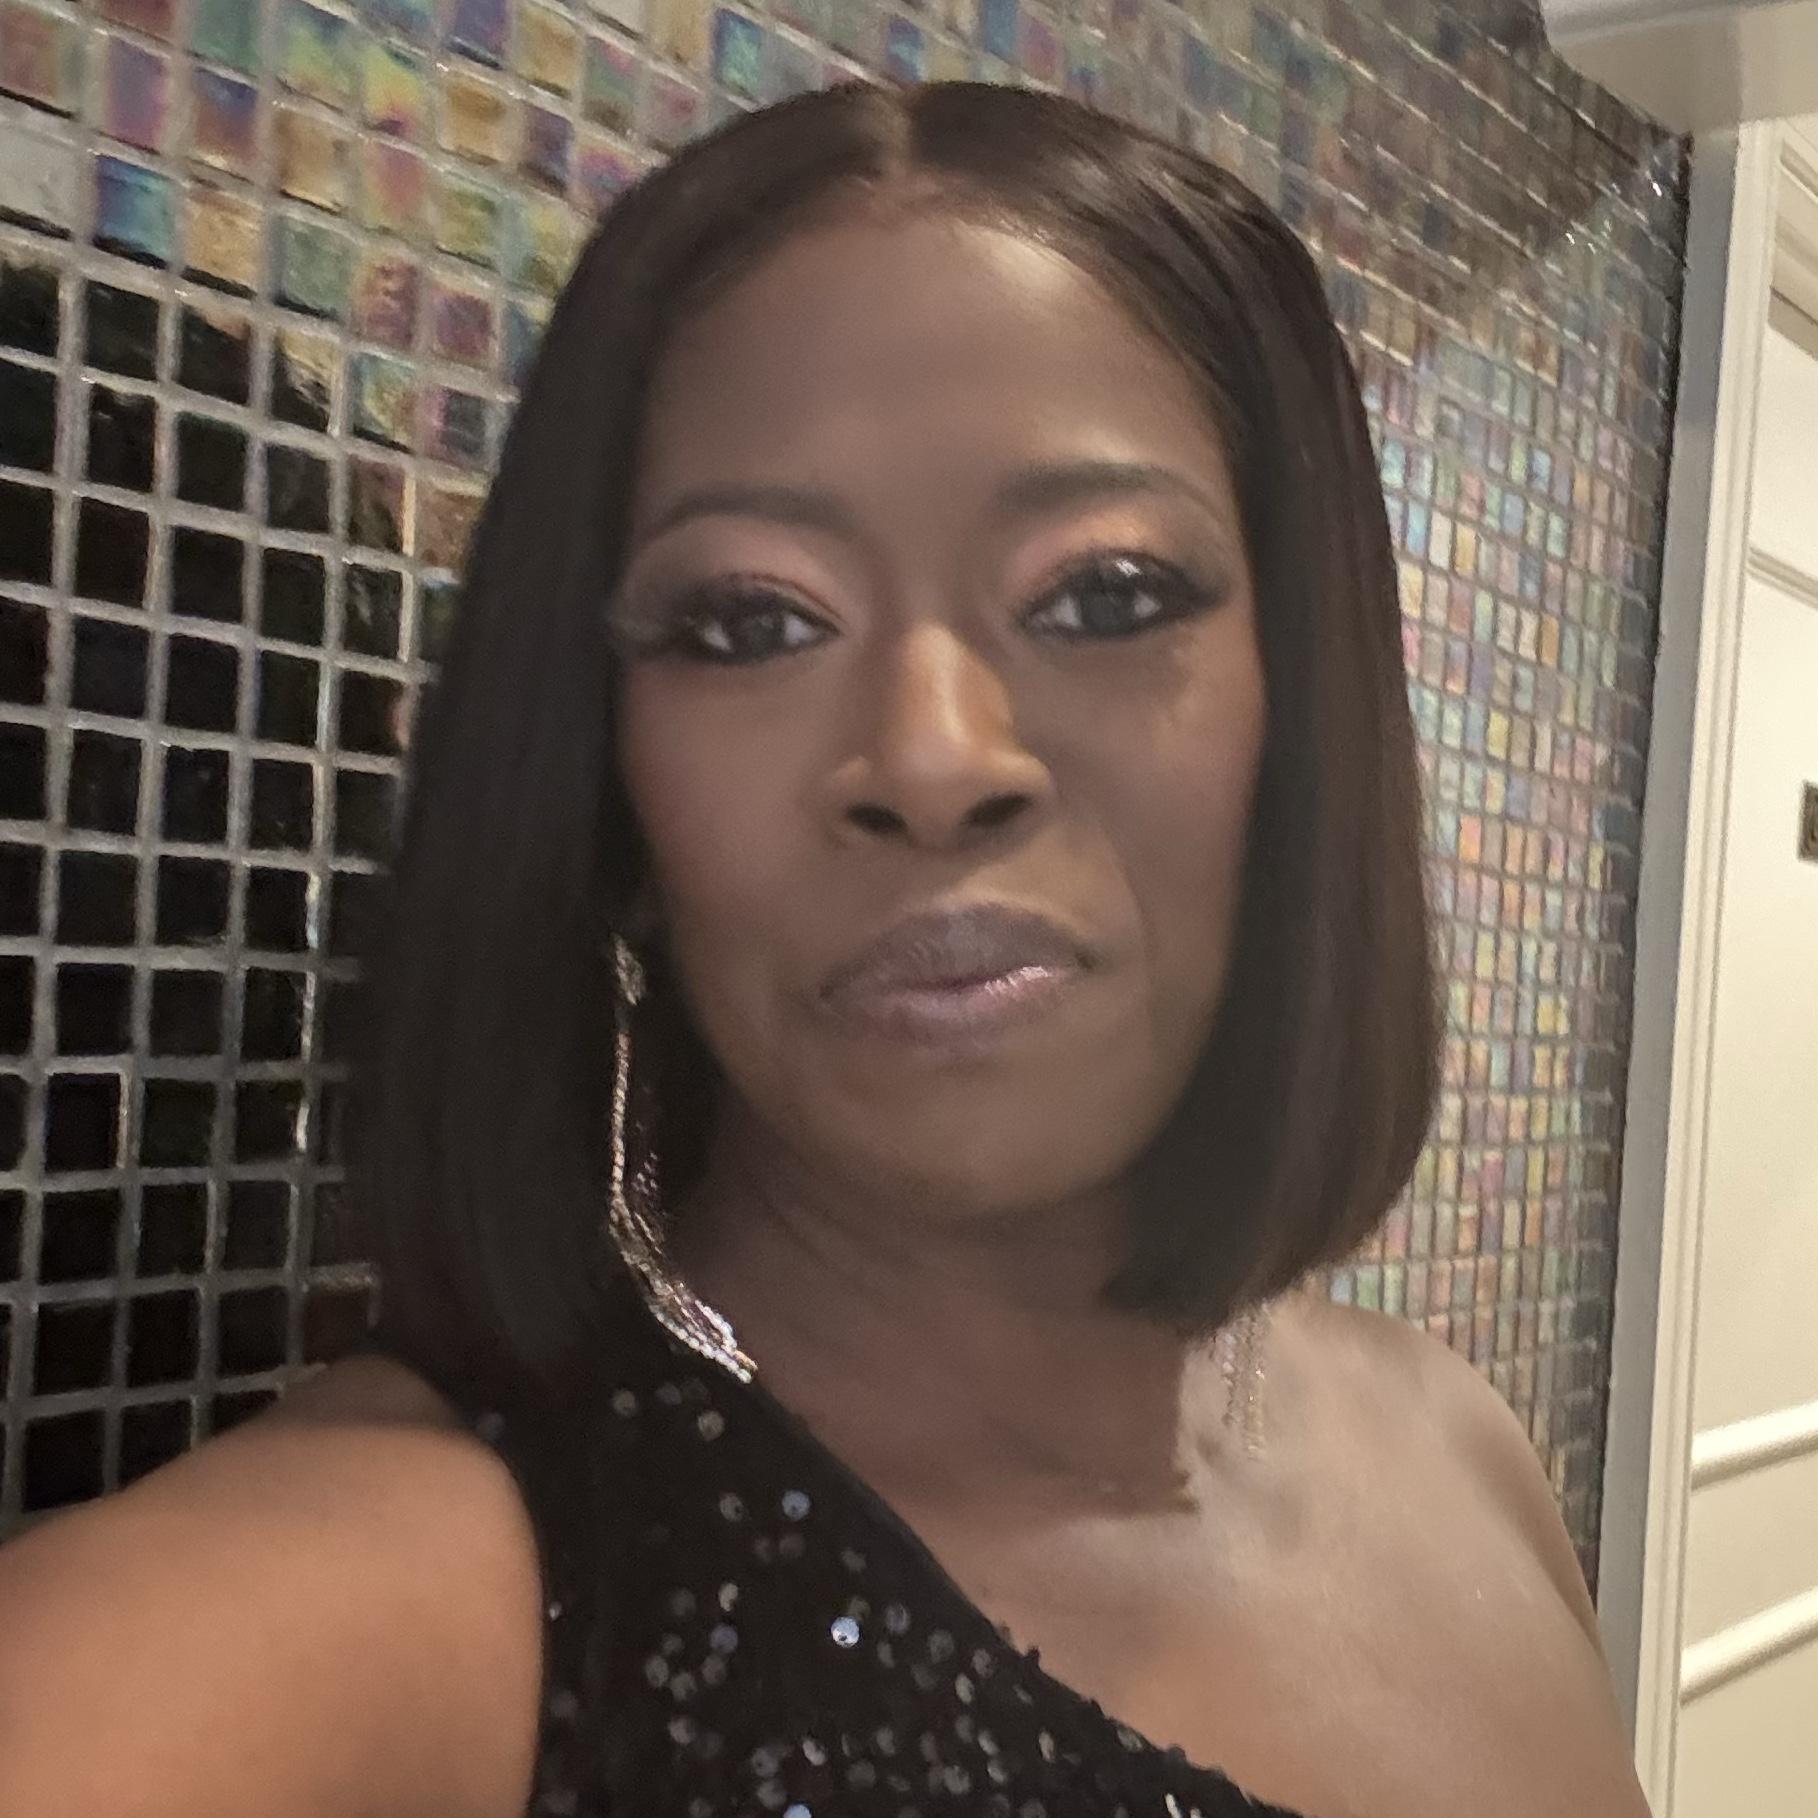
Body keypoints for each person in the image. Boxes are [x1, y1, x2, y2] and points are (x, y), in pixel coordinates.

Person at [0, 83, 1651, 1818]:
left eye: (1102, 594)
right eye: (749, 621)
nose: (931, 758)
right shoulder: (355, 1612)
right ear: (607, 788)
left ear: (1307, 712)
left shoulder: (1458, 1448)